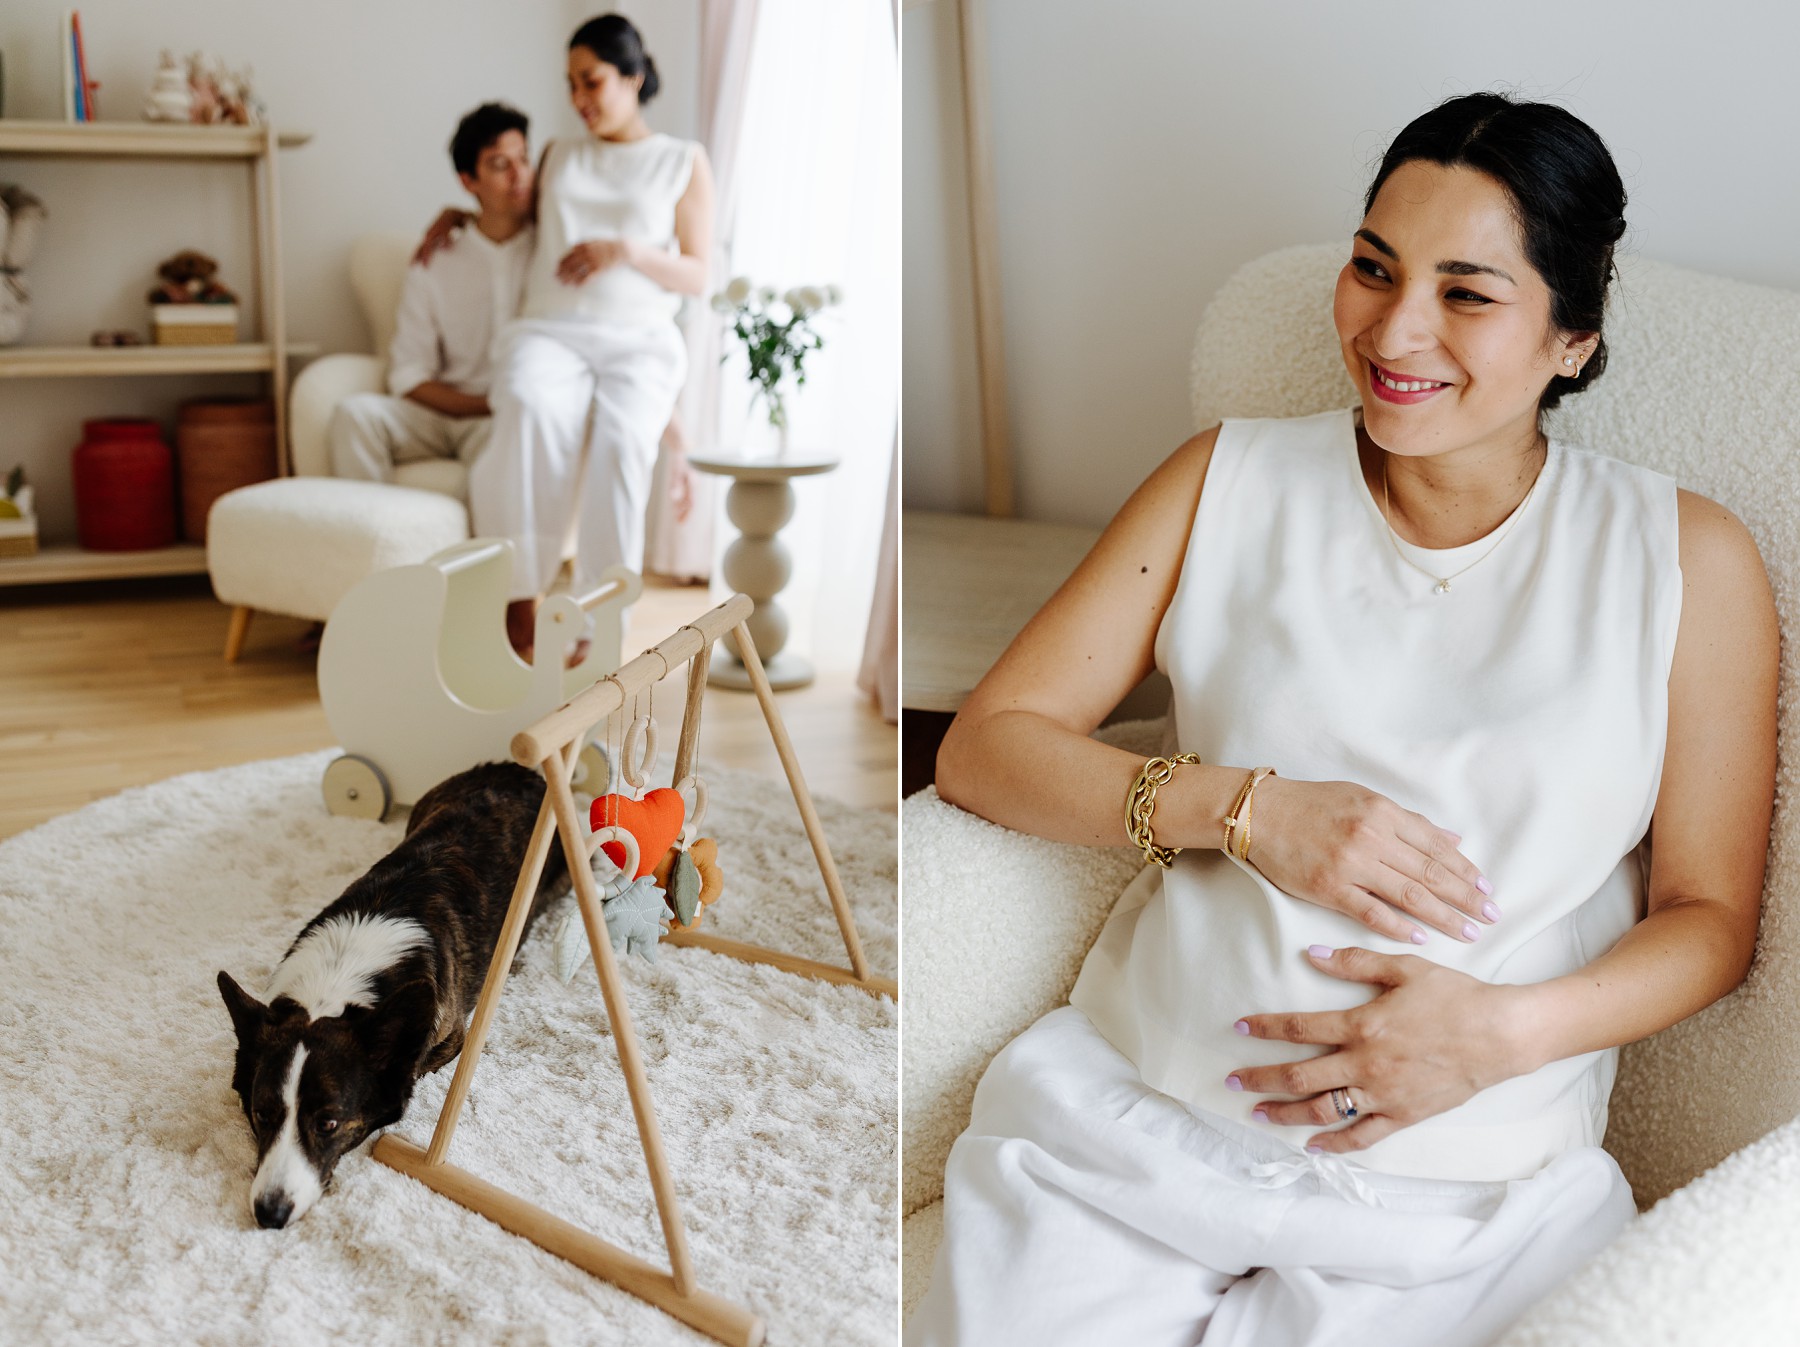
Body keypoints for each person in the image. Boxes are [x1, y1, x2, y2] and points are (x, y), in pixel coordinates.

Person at [907, 92, 1778, 1347]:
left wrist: (1502, 1035)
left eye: (1466, 293)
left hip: (1472, 1201)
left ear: (1572, 339)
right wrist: (1248, 811)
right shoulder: (1228, 478)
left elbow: (1712, 919)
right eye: (1374, 266)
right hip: (1135, 1136)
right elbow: (990, 747)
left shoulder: (1687, 561)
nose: (1393, 327)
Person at [465, 13, 714, 658]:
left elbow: (698, 274)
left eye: (592, 81)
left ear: (632, 75)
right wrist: (453, 214)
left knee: (621, 446)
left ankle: (600, 627)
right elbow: (508, 216)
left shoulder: (681, 162)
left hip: (638, 337)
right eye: (571, 84)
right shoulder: (559, 154)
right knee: (526, 402)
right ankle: (523, 596)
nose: (578, 100)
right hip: (551, 329)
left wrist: (626, 250)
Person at [328, 103, 534, 488]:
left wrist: (506, 407)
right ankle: (375, 536)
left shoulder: (548, 250)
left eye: (524, 158)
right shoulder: (435, 262)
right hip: (443, 415)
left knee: (514, 438)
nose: (519, 175)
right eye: (500, 164)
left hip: (510, 421)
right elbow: (407, 375)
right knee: (353, 415)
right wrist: (483, 405)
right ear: (468, 181)